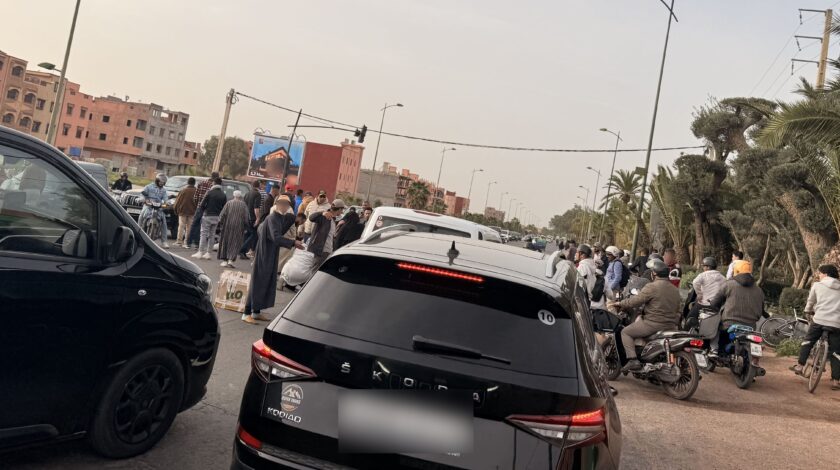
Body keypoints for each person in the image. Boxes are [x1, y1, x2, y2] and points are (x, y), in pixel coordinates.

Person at [609, 259, 681, 372]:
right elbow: (677, 309)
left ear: (654, 273)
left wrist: (620, 303)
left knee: (625, 332)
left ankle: (633, 360)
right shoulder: (675, 290)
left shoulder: (652, 287)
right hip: (671, 325)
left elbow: (636, 301)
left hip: (653, 324)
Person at [243, 195, 300, 324]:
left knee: (265, 281)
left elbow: (290, 221)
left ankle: (256, 312)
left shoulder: (279, 217)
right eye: (282, 203)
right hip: (265, 253)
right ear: (277, 204)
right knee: (258, 282)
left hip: (270, 253)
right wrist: (293, 243)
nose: (284, 206)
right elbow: (276, 237)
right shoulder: (273, 217)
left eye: (286, 204)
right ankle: (246, 313)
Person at [790, 264, 840, 390]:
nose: (819, 275)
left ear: (826, 274)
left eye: (820, 273)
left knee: (808, 342)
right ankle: (835, 381)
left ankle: (800, 366)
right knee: (836, 352)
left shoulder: (817, 285)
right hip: (836, 324)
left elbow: (811, 301)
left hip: (819, 320)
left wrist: (807, 311)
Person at [707, 260, 767, 357]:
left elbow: (715, 303)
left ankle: (715, 351)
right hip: (750, 327)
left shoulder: (729, 284)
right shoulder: (759, 290)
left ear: (736, 271)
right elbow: (762, 310)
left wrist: (713, 306)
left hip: (728, 325)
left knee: (717, 331)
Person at [686, 256, 727, 329]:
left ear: (708, 267)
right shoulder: (722, 278)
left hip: (703, 304)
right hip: (716, 306)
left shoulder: (703, 275)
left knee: (689, 318)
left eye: (704, 266)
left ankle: (686, 332)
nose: (703, 268)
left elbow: (695, 282)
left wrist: (699, 294)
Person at [306, 199, 347, 273]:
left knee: (319, 272)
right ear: (339, 209)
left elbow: (331, 235)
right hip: (321, 250)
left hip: (327, 250)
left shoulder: (333, 219)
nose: (342, 212)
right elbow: (311, 217)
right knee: (314, 272)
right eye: (342, 210)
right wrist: (322, 212)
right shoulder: (324, 216)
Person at [192, 177, 226, 260]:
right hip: (217, 217)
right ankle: (208, 253)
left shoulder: (209, 192)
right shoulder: (223, 194)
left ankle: (200, 252)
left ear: (214, 183)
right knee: (212, 235)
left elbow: (202, 204)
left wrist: (203, 211)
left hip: (207, 215)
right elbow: (224, 207)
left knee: (203, 234)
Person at [217, 190, 250, 268]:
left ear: (233, 195)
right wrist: (246, 226)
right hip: (239, 226)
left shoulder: (229, 203)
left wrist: (221, 223)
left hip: (227, 225)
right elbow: (246, 218)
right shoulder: (243, 205)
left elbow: (222, 215)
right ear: (240, 196)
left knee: (226, 241)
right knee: (235, 242)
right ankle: (231, 260)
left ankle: (225, 260)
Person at [187, 172, 219, 248]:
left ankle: (189, 242)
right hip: (208, 210)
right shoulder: (213, 187)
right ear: (216, 178)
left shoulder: (201, 183)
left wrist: (198, 205)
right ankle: (197, 243)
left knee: (194, 224)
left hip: (199, 208)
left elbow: (195, 197)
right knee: (203, 228)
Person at [139, 173, 170, 248]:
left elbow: (165, 198)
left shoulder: (164, 190)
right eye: (160, 182)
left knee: (164, 222)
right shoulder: (149, 187)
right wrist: (143, 199)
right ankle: (137, 234)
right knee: (141, 217)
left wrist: (167, 203)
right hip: (148, 206)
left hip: (159, 208)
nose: (161, 183)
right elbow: (142, 194)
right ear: (157, 180)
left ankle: (164, 241)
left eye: (163, 182)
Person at [576, 244, 608, 312]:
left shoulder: (583, 267)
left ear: (582, 255)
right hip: (590, 300)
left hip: (583, 301)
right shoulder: (590, 265)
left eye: (577, 252)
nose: (575, 254)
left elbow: (580, 286)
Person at [240, 180, 263, 258]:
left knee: (247, 234)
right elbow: (256, 208)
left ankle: (243, 253)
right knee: (254, 235)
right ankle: (242, 249)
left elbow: (243, 205)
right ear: (258, 185)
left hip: (246, 217)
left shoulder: (247, 193)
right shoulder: (257, 194)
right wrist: (258, 218)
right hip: (252, 218)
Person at [173, 177, 197, 247]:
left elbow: (177, 201)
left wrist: (175, 209)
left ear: (188, 182)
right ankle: (186, 242)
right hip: (193, 211)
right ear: (194, 183)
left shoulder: (183, 190)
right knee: (189, 227)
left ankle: (179, 241)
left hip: (182, 211)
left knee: (181, 226)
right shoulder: (196, 191)